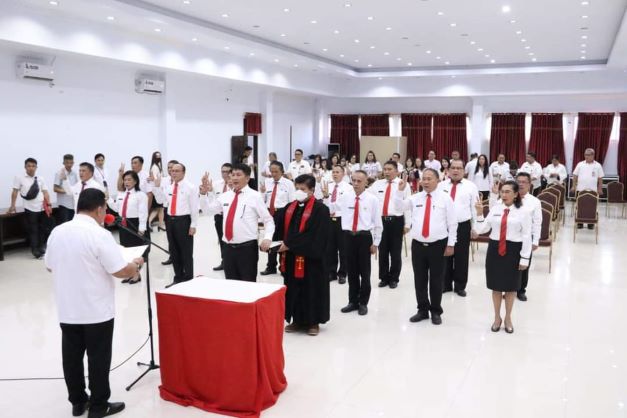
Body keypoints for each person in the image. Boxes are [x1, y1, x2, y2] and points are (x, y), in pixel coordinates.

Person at [45, 188, 144, 418]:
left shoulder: (58, 231)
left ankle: (78, 402)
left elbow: (49, 265)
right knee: (98, 358)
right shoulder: (99, 235)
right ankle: (99, 406)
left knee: (71, 357)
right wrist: (136, 264)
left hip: (68, 309)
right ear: (100, 209)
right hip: (96, 310)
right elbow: (120, 270)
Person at [395, 169, 456, 325]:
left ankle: (435, 310)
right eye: (424, 179)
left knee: (436, 279)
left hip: (438, 245)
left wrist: (451, 244)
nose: (426, 182)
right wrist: (399, 192)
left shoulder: (445, 198)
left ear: (437, 180)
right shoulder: (415, 198)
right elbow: (399, 207)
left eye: (430, 179)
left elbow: (452, 223)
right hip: (418, 245)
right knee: (419, 279)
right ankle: (422, 310)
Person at [472, 181, 531, 334]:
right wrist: (479, 213)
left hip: (513, 251)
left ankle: (508, 318)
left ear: (516, 194)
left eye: (507, 192)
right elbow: (482, 229)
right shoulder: (495, 209)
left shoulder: (524, 212)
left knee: (511, 287)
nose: (504, 195)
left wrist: (524, 258)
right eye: (502, 191)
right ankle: (497, 317)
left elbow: (526, 236)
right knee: (496, 286)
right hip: (495, 250)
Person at [200, 163, 274, 281]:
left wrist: (267, 237)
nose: (234, 178)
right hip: (227, 248)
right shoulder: (225, 196)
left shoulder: (255, 196)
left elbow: (268, 220)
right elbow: (207, 211)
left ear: (247, 178)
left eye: (238, 175)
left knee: (247, 283)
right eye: (233, 175)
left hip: (247, 249)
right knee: (231, 284)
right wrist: (203, 194)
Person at [278, 174, 331, 336]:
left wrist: (290, 244)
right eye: (297, 188)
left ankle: (313, 322)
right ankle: (297, 320)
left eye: (302, 189)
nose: (299, 192)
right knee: (294, 288)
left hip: (312, 259)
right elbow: (281, 228)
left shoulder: (320, 210)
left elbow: (315, 235)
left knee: (312, 289)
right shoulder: (290, 207)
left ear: (312, 190)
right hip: (292, 257)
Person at [329, 170, 382, 316]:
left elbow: (378, 223)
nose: (356, 184)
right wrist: (326, 197)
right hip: (348, 237)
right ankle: (353, 301)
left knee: (364, 272)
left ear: (366, 182)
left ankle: (363, 302)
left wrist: (376, 243)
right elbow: (332, 207)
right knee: (351, 271)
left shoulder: (372, 200)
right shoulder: (346, 197)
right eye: (354, 180)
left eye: (359, 181)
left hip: (364, 237)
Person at [152, 163, 199, 287]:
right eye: (172, 171)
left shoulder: (190, 187)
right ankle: (178, 277)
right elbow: (160, 200)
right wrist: (156, 187)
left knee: (186, 252)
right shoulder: (169, 187)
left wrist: (193, 225)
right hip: (170, 221)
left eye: (177, 171)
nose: (174, 173)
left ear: (184, 172)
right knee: (174, 251)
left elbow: (194, 208)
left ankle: (188, 279)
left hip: (183, 221)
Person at [439, 159, 480, 296]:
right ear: (448, 170)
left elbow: (474, 208)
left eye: (459, 168)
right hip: (444, 226)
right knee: (445, 255)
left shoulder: (471, 186)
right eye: (453, 168)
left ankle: (460, 286)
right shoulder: (441, 185)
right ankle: (445, 284)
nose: (456, 170)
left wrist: (475, 227)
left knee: (461, 256)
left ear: (464, 171)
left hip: (462, 225)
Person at [369, 161, 410, 289]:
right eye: (385, 169)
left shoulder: (403, 184)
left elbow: (408, 205)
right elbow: (368, 198)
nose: (386, 171)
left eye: (389, 169)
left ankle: (394, 278)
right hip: (381, 221)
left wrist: (407, 224)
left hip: (396, 220)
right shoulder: (377, 184)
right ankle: (384, 277)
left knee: (395, 252)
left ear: (397, 171)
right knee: (383, 251)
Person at [108, 170, 148, 285]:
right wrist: (108, 199)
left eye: (129, 179)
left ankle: (136, 275)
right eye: (125, 180)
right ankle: (130, 273)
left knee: (135, 251)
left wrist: (142, 227)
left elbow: (143, 212)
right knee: (126, 250)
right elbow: (117, 208)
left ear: (135, 181)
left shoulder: (141, 195)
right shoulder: (121, 194)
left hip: (135, 223)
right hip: (123, 223)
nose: (126, 182)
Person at [7, 157, 51, 259]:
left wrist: (49, 205)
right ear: (25, 167)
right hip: (30, 208)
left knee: (42, 229)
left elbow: (45, 192)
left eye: (33, 166)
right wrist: (13, 205)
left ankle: (41, 248)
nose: (31, 168)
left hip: (42, 208)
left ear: (36, 167)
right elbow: (15, 192)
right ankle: (35, 251)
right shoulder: (19, 178)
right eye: (29, 166)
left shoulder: (40, 178)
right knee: (33, 230)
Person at [260, 161, 295, 276]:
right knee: (270, 239)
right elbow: (262, 200)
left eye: (276, 171)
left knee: (281, 240)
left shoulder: (288, 184)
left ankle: (283, 267)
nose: (273, 174)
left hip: (282, 213)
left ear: (282, 171)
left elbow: (292, 201)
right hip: (269, 213)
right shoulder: (267, 182)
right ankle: (271, 266)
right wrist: (262, 192)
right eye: (272, 171)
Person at [322, 165, 353, 284]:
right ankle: (332, 272)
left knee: (343, 248)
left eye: (337, 172)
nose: (335, 174)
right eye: (333, 172)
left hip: (342, 220)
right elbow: (324, 205)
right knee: (330, 248)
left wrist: (330, 204)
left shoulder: (348, 188)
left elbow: (345, 205)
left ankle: (343, 273)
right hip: (329, 219)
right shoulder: (327, 186)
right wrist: (326, 197)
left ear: (343, 174)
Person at [514, 173, 542, 302]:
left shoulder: (534, 201)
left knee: (524, 265)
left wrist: (535, 240)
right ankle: (509, 288)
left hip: (526, 238)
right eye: (518, 181)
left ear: (530, 184)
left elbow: (537, 222)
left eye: (524, 182)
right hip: (511, 236)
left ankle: (521, 290)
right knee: (510, 264)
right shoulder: (509, 197)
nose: (520, 184)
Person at [571, 148, 604, 229]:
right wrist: (573, 186)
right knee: (580, 206)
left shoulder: (598, 165)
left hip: (593, 190)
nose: (586, 156)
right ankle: (580, 222)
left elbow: (600, 178)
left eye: (588, 155)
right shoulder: (580, 164)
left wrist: (600, 188)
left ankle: (590, 223)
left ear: (593, 155)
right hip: (580, 190)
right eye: (585, 155)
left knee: (592, 206)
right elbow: (575, 175)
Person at [210, 163, 232, 271]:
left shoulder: (236, 185)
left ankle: (232, 262)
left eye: (228, 171)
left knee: (231, 240)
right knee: (221, 239)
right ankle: (224, 261)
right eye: (223, 171)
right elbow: (212, 201)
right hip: (219, 216)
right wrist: (208, 191)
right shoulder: (216, 184)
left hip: (231, 217)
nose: (225, 174)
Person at [158, 159, 178, 266]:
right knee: (170, 235)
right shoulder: (164, 180)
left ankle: (180, 256)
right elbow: (160, 197)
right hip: (167, 210)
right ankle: (172, 256)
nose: (170, 169)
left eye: (172, 167)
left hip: (179, 212)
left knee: (178, 236)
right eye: (169, 167)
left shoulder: (181, 181)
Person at [54, 154, 78, 224]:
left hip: (73, 204)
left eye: (71, 163)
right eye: (67, 162)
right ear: (63, 163)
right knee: (65, 225)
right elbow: (55, 188)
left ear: (73, 163)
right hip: (63, 205)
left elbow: (76, 187)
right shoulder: (59, 173)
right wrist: (67, 191)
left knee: (72, 225)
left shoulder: (75, 173)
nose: (69, 165)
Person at [148, 151, 165, 231]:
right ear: (154, 157)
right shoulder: (155, 167)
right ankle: (151, 223)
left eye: (160, 156)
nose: (159, 157)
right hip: (156, 190)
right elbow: (155, 179)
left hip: (157, 190)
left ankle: (160, 225)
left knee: (159, 209)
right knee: (159, 208)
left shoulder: (157, 166)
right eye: (157, 156)